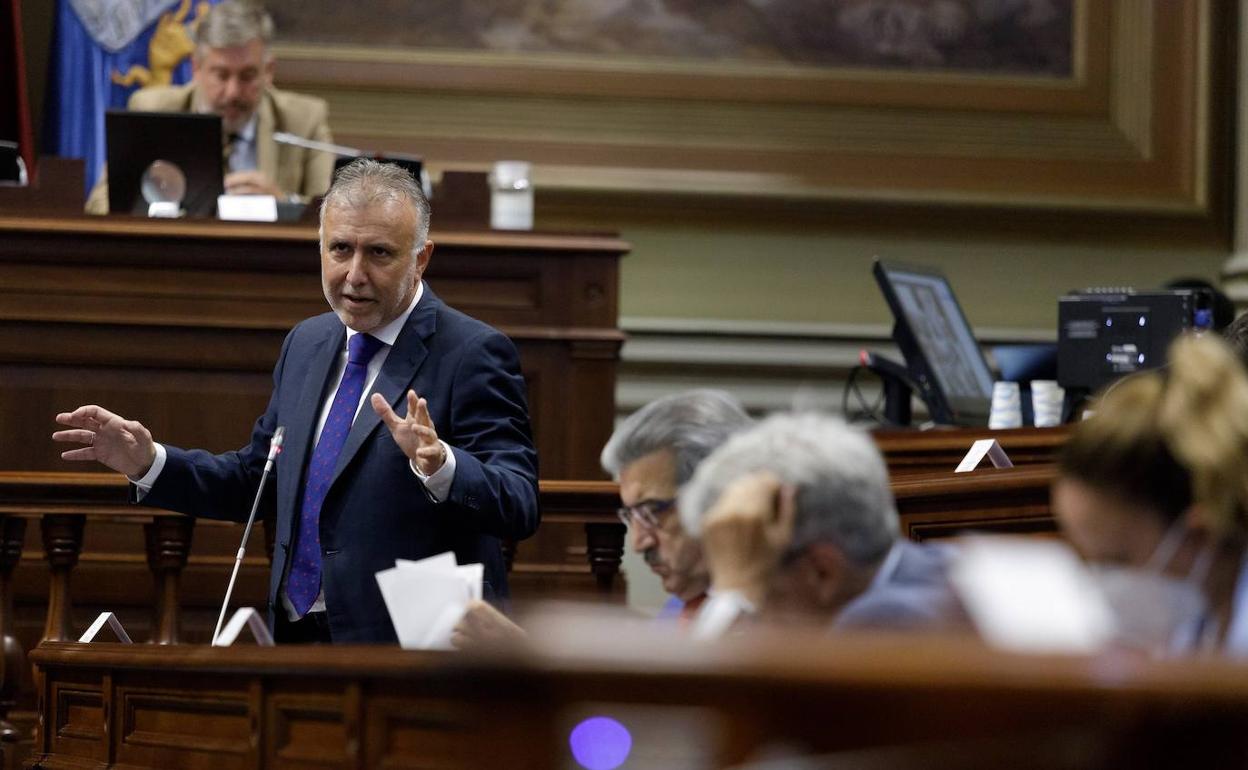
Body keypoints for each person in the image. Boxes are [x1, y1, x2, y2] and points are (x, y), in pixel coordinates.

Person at [56, 158, 539, 643]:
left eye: (379, 253)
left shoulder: (473, 352)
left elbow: (518, 502)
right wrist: (148, 462)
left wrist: (442, 466)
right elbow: (257, 480)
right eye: (341, 249)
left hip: (412, 652)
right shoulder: (307, 344)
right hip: (296, 639)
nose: (355, 274)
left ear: (421, 258)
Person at [452, 389, 752, 647]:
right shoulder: (685, 604)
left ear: (720, 500)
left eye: (651, 513)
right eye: (631, 516)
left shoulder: (771, 619)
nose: (638, 542)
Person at [678, 413, 965, 636]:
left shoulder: (885, 625)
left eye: (758, 600)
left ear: (821, 572)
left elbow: (692, 701)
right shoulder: (940, 570)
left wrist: (734, 595)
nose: (755, 626)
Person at [1053, 334, 1248, 655]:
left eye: (1115, 562)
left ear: (1199, 534)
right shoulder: (1201, 608)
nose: (1103, 586)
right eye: (1085, 560)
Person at [85, 1, 334, 213]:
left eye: (247, 76)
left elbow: (336, 216)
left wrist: (282, 205)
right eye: (221, 75)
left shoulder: (304, 119)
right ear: (196, 69)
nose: (233, 91)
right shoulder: (153, 110)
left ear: (268, 72)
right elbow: (99, 203)